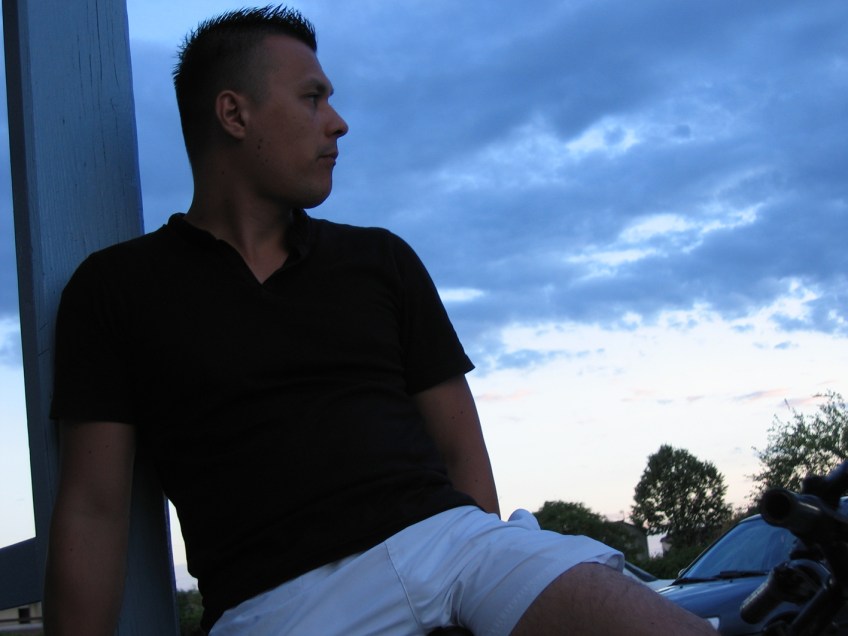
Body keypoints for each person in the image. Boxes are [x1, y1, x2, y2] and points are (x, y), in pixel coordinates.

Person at [44, 6, 716, 635]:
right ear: (234, 114)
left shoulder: (379, 260)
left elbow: (460, 450)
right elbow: (93, 511)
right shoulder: (116, 291)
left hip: (453, 545)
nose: (337, 123)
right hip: (277, 603)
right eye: (313, 98)